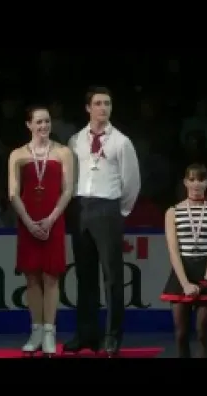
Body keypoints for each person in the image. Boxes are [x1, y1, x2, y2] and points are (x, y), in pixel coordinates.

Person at [64, 86, 141, 357]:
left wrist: (118, 212)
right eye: (98, 103)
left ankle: (112, 336)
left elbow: (132, 183)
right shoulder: (75, 140)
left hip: (108, 208)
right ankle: (86, 335)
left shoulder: (121, 142)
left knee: (112, 277)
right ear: (88, 108)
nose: (103, 108)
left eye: (107, 103)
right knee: (85, 276)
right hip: (80, 206)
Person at [8, 105, 74, 357]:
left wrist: (51, 219)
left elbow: (68, 189)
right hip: (27, 221)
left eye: (47, 122)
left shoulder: (63, 152)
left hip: (53, 219)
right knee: (32, 277)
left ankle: (49, 332)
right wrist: (27, 221)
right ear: (29, 125)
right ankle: (35, 330)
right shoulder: (17, 155)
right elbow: (13, 192)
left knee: (51, 277)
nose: (44, 126)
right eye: (38, 122)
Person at [160, 163, 207, 358]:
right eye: (192, 180)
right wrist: (185, 284)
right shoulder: (172, 212)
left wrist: (206, 281)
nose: (196, 184)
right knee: (181, 334)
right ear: (185, 182)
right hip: (182, 273)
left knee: (203, 333)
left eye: (201, 179)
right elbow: (173, 251)